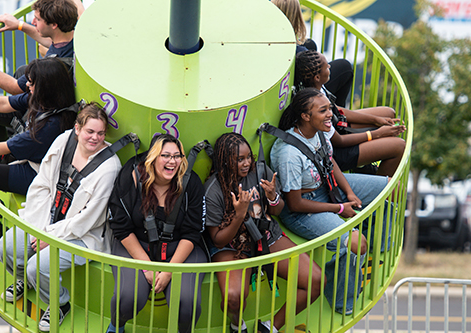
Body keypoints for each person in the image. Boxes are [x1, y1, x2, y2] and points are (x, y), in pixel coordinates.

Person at [0, 103, 121, 331]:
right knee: (5, 249)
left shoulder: (109, 168)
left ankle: (59, 303)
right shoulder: (64, 141)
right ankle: (28, 280)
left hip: (81, 235)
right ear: (77, 129)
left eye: (101, 133)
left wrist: (50, 236)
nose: (95, 138)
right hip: (48, 219)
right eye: (90, 132)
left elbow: (88, 220)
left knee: (38, 266)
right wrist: (41, 226)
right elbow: (42, 182)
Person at [270, 88, 390, 315]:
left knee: (388, 187)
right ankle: (342, 301)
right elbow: (295, 204)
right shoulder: (289, 155)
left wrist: (349, 192)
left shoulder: (320, 131)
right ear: (305, 116)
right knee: (356, 243)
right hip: (304, 207)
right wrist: (339, 208)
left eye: (329, 109)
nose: (330, 115)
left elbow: (328, 160)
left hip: (327, 187)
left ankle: (377, 248)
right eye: (323, 110)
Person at [204, 132, 322, 333]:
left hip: (265, 237)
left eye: (248, 157)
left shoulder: (260, 171)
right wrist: (239, 215)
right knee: (233, 297)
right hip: (231, 246)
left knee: (315, 280)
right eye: (239, 159)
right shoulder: (213, 189)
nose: (247, 163)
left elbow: (276, 210)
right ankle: (236, 324)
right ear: (224, 160)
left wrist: (273, 196)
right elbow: (217, 240)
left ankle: (270, 328)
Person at [0, 57, 77, 254]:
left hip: (39, 174)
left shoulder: (50, 126)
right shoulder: (44, 98)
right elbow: (4, 103)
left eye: (31, 82)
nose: (26, 84)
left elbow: (3, 147)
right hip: (25, 157)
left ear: (45, 85)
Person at [107, 134, 207, 333]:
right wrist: (147, 267)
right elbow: (120, 226)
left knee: (186, 303)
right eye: (166, 155)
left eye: (177, 156)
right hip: (137, 244)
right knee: (129, 297)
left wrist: (169, 270)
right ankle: (116, 327)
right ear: (152, 158)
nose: (172, 161)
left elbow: (192, 232)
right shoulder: (132, 176)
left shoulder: (190, 182)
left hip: (179, 249)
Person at [0, 0, 81, 143]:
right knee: (22, 71)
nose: (33, 21)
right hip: (59, 110)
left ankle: (1, 157)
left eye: (38, 19)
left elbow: (14, 87)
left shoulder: (52, 64)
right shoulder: (75, 39)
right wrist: (20, 26)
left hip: (46, 122)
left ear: (54, 25)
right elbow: (53, 43)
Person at [295, 49, 406, 176]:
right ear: (317, 77)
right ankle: (376, 188)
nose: (330, 66)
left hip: (337, 128)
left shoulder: (318, 88)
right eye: (326, 66)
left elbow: (337, 110)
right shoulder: (314, 105)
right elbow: (340, 141)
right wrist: (376, 134)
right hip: (336, 152)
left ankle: (364, 166)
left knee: (388, 113)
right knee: (399, 146)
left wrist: (375, 120)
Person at [271, 0, 353, 106]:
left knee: (310, 45)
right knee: (345, 67)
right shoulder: (300, 51)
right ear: (297, 16)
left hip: (283, 93)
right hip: (302, 98)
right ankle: (336, 115)